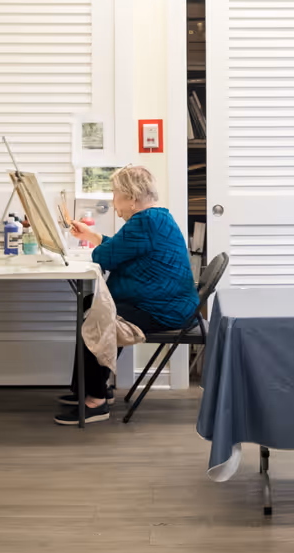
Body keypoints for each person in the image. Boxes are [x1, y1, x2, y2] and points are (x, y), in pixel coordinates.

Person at [61, 165, 198, 426]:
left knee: (96, 315)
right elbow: (124, 248)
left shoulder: (145, 221)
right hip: (171, 303)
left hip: (165, 309)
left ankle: (95, 400)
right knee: (93, 305)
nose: (113, 203)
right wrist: (91, 235)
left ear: (132, 198)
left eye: (115, 195)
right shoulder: (156, 218)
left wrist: (95, 243)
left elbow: (107, 256)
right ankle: (90, 388)